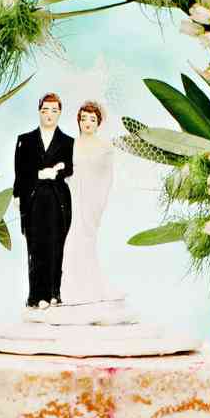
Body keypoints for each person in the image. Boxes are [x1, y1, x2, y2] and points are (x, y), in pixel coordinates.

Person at [13, 92, 73, 309]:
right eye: (45, 110)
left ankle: (54, 293)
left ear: (60, 113)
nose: (49, 115)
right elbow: (20, 171)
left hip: (58, 201)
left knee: (56, 246)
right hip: (33, 198)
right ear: (39, 111)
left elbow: (70, 167)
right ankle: (36, 295)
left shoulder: (67, 141)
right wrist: (18, 194)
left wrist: (57, 171)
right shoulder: (25, 140)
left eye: (54, 111)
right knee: (35, 246)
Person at [59, 100, 120, 307]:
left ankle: (90, 287)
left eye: (92, 119)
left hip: (91, 200)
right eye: (84, 118)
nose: (87, 123)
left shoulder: (104, 146)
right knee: (69, 240)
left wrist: (98, 202)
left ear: (98, 123)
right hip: (71, 197)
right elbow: (63, 172)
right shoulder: (71, 144)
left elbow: (107, 176)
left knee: (86, 239)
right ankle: (68, 288)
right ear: (78, 120)